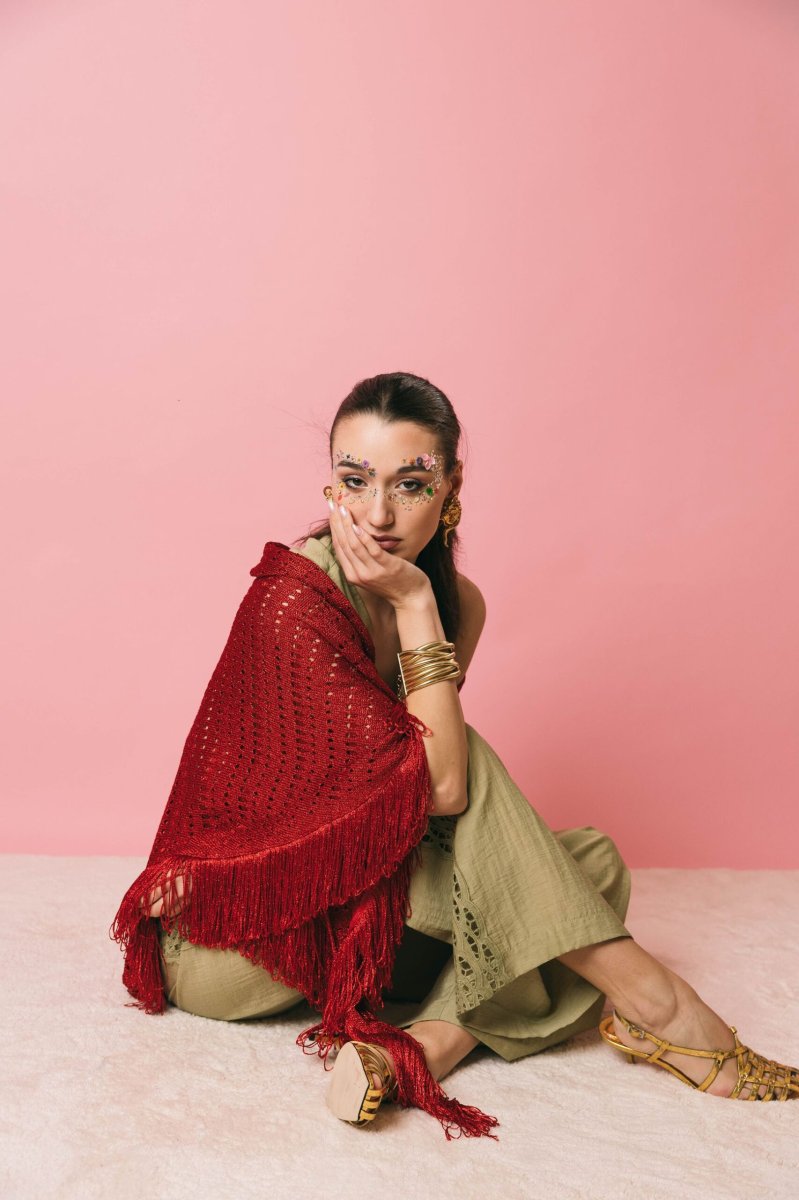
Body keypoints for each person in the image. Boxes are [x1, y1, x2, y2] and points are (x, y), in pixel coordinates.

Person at [128, 372, 799, 1135]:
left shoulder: (458, 602)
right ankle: (658, 1004)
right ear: (331, 487)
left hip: (363, 919)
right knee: (456, 764)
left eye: (409, 485)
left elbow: (418, 813)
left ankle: (420, 1048)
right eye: (355, 481)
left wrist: (420, 603)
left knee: (590, 863)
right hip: (237, 943)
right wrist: (413, 602)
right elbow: (443, 786)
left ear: (450, 488)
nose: (377, 514)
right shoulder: (294, 599)